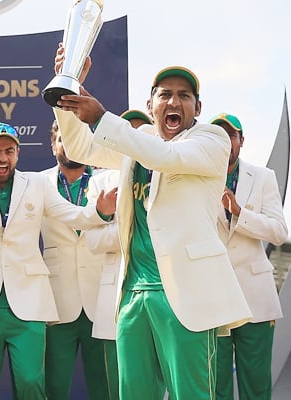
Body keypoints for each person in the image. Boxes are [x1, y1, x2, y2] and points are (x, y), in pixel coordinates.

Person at [52, 45, 252, 398]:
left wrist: (101, 117)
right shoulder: (139, 140)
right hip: (133, 294)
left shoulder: (211, 140)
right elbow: (82, 148)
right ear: (150, 106)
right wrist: (65, 93)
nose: (174, 103)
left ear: (198, 108)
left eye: (184, 96)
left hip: (185, 295)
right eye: (165, 95)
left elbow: (166, 156)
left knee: (190, 393)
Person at [0, 115, 116, 399]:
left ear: (18, 153)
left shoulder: (36, 184)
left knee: (30, 382)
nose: (3, 158)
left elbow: (70, 214)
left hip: (28, 304)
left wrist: (99, 213)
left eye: (9, 151)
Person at [210, 113, 287, 400]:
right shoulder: (197, 179)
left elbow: (279, 232)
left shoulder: (264, 176)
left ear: (241, 141)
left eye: (231, 135)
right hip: (214, 301)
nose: (225, 141)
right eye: (218, 135)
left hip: (255, 300)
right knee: (217, 388)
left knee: (256, 385)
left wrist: (240, 213)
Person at [40, 121, 117, 399]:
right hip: (56, 301)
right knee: (54, 386)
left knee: (106, 386)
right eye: (63, 138)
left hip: (101, 298)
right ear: (53, 145)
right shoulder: (37, 183)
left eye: (77, 138)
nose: (70, 144)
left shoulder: (108, 181)